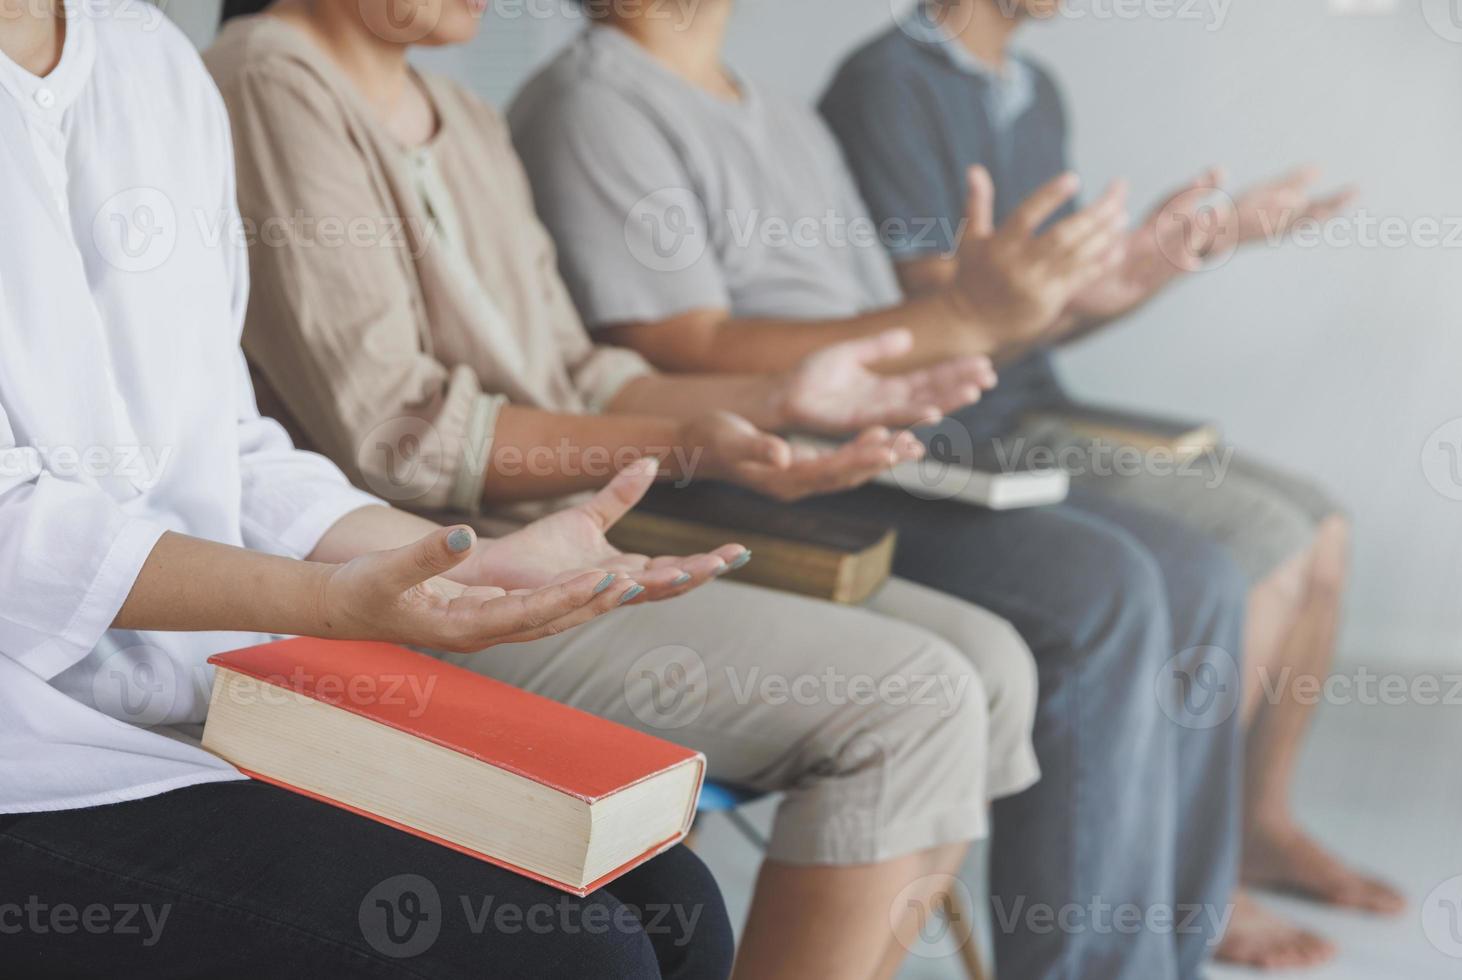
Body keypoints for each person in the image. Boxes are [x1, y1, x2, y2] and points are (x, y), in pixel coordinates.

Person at [205, 2, 1041, 977]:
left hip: (550, 538)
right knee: (915, 699)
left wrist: (775, 399)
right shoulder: (268, 74)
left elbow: (577, 372)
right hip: (412, 578)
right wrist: (687, 441)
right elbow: (402, 434)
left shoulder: (462, 114)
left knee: (989, 663)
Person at [509, 3, 1252, 978]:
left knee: (1194, 569)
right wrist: (959, 315)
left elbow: (896, 320)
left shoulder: (783, 116)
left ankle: (1168, 956)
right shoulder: (592, 101)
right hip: (750, 466)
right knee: (1101, 588)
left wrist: (1038, 306)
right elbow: (675, 345)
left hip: (877, 439)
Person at [0, 2, 741, 976]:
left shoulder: (148, 58)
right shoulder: (258, 73)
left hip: (195, 693)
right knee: (570, 958)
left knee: (671, 903)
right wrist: (328, 602)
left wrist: (459, 561)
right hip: (30, 754)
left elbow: (225, 442)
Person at [819, 0, 1400, 969]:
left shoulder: (1033, 91)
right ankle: (1192, 882)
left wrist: (1169, 260)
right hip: (954, 424)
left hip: (1034, 403)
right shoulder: (882, 85)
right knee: (1246, 546)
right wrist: (1124, 272)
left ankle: (1249, 828)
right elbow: (949, 320)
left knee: (1322, 526)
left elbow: (1041, 319)